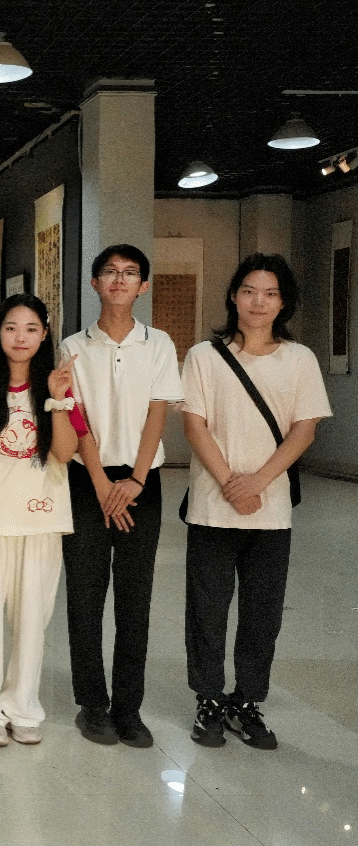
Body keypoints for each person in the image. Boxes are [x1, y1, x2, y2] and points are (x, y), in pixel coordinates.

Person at [180, 253, 330, 750]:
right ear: (233, 296)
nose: (258, 302)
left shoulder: (300, 359)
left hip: (271, 511)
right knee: (207, 609)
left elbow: (304, 429)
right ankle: (208, 698)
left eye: (269, 293)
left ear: (283, 302)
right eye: (248, 291)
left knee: (262, 614)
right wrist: (230, 482)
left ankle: (246, 700)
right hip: (211, 505)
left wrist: (258, 483)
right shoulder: (204, 356)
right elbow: (195, 425)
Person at [60, 245, 184, 748]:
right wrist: (100, 482)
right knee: (85, 597)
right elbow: (75, 417)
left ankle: (129, 708)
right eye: (110, 272)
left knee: (135, 598)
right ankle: (92, 704)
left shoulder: (159, 344)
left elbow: (159, 412)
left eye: (130, 273)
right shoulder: (72, 346)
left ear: (143, 286)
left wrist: (134, 480)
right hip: (86, 480)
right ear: (94, 283)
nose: (119, 279)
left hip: (141, 483)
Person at [0, 293, 85, 747]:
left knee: (32, 623)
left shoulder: (57, 385)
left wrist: (58, 400)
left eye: (30, 328)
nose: (20, 337)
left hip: (40, 520)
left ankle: (23, 707)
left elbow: (64, 453)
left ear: (44, 334)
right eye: (11, 327)